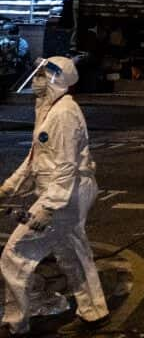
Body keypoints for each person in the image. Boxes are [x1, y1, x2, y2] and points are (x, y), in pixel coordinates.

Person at [0, 57, 109, 336]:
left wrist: (48, 208)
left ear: (57, 79)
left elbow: (66, 166)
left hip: (66, 193)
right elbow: (35, 158)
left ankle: (18, 320)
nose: (35, 79)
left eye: (41, 75)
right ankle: (94, 311)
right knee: (71, 251)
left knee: (15, 253)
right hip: (63, 192)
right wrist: (9, 188)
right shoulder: (47, 108)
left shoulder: (64, 114)